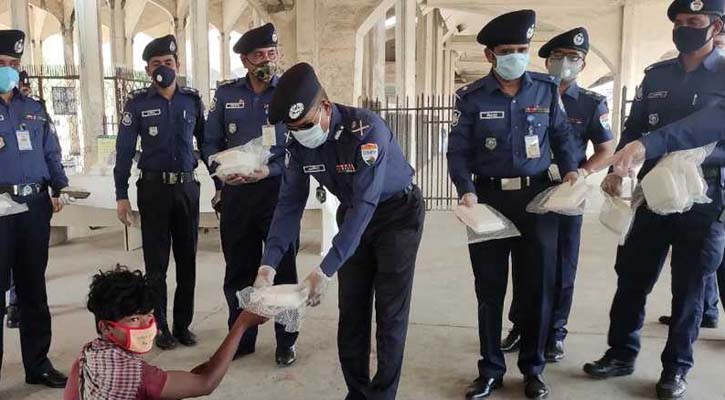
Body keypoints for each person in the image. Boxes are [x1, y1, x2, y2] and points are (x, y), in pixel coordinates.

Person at [254, 62, 425, 400]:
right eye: (293, 128)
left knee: (389, 313)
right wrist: (268, 264)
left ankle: (382, 396)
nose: (301, 133)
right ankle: (356, 393)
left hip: (396, 215)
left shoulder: (366, 130)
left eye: (306, 124)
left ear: (326, 107)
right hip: (353, 214)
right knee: (351, 312)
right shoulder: (297, 146)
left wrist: (325, 269)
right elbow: (289, 205)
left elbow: (366, 203)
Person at [583, 1, 725, 399]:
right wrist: (617, 168)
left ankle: (676, 368)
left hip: (703, 196)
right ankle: (620, 353)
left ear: (716, 27)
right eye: (679, 22)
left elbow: (708, 126)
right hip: (651, 193)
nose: (684, 28)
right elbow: (634, 127)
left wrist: (650, 145)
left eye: (694, 21)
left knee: (689, 286)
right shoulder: (657, 75)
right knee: (632, 276)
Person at [447, 10, 580, 400]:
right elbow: (457, 151)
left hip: (537, 199)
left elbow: (562, 137)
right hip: (487, 200)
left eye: (522, 49)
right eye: (508, 51)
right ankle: (490, 369)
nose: (517, 57)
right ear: (490, 55)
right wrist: (465, 189)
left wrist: (571, 171)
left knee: (537, 287)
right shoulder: (470, 97)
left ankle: (533, 369)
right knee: (489, 289)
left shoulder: (546, 89)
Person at [502, 27, 615, 361]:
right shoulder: (529, 93)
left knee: (563, 264)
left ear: (583, 64)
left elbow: (606, 149)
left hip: (567, 192)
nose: (565, 62)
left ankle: (555, 332)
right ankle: (521, 326)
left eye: (573, 57)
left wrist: (582, 173)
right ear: (547, 60)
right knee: (525, 262)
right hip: (530, 187)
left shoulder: (591, 102)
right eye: (558, 56)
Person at [202, 23, 299, 366]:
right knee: (239, 270)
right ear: (245, 60)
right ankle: (241, 338)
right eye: (259, 55)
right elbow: (210, 142)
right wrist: (221, 173)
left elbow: (299, 147)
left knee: (282, 270)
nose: (267, 61)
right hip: (237, 196)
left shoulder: (288, 93)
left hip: (278, 194)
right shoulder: (226, 95)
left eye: (271, 53)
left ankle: (286, 341)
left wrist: (269, 171)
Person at [114, 34, 209, 351]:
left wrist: (222, 184)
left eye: (168, 62)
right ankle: (161, 327)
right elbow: (124, 151)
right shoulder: (138, 104)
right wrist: (121, 194)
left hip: (186, 188)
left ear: (178, 65)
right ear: (147, 70)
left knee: (187, 261)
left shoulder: (191, 101)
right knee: (156, 265)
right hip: (153, 190)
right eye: (156, 64)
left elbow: (207, 145)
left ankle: (183, 325)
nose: (162, 68)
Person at [63, 266, 268, 400]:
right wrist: (243, 323)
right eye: (134, 319)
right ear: (106, 327)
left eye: (148, 315)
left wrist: (203, 370)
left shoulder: (89, 354)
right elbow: (206, 383)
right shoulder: (133, 374)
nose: (146, 326)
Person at [0, 29, 69, 388]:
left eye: (13, 64)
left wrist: (60, 185)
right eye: (1, 63)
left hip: (34, 206)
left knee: (33, 290)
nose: (8, 70)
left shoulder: (33, 108)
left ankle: (38, 364)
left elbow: (51, 151)